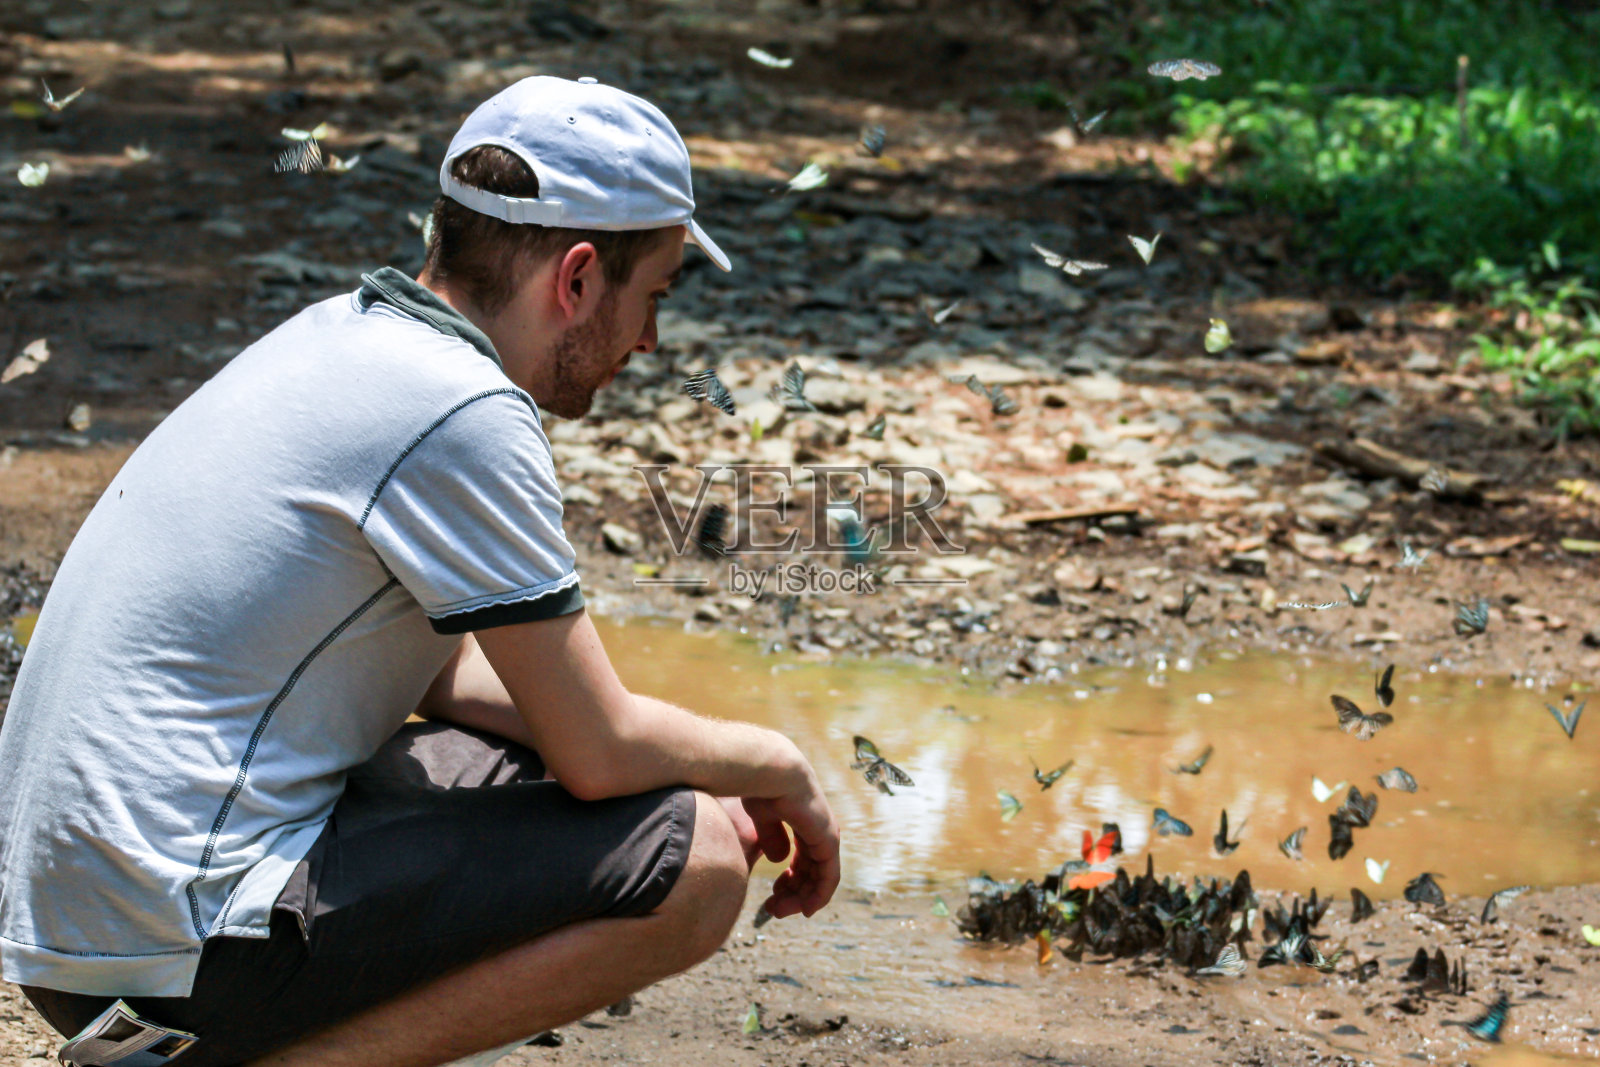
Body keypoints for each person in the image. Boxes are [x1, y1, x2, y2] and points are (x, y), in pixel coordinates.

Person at [0, 75, 840, 1067]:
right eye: (650, 296)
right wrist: (779, 766)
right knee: (695, 856)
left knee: (618, 787)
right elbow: (602, 747)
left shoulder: (339, 338)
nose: (650, 339)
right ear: (575, 279)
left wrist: (687, 753)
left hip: (76, 930)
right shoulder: (463, 411)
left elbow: (438, 674)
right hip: (166, 948)